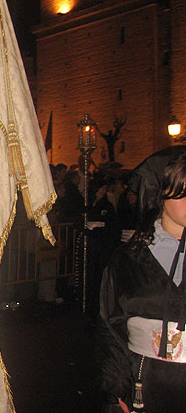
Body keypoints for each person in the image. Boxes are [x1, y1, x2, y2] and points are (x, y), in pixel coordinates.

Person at [100, 146, 186, 412]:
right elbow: (111, 328)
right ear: (161, 191)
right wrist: (116, 391)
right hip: (148, 387)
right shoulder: (128, 260)